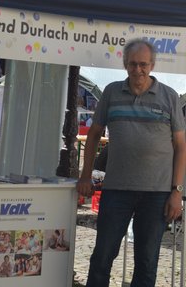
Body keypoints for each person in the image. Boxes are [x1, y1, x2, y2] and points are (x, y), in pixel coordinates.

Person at [77, 38, 186, 287]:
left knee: (147, 263)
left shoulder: (169, 97)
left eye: (143, 64)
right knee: (102, 257)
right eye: (133, 64)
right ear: (125, 64)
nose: (138, 70)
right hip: (116, 190)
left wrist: (176, 192)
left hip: (156, 194)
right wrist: (85, 175)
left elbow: (181, 147)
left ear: (153, 64)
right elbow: (93, 135)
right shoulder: (111, 93)